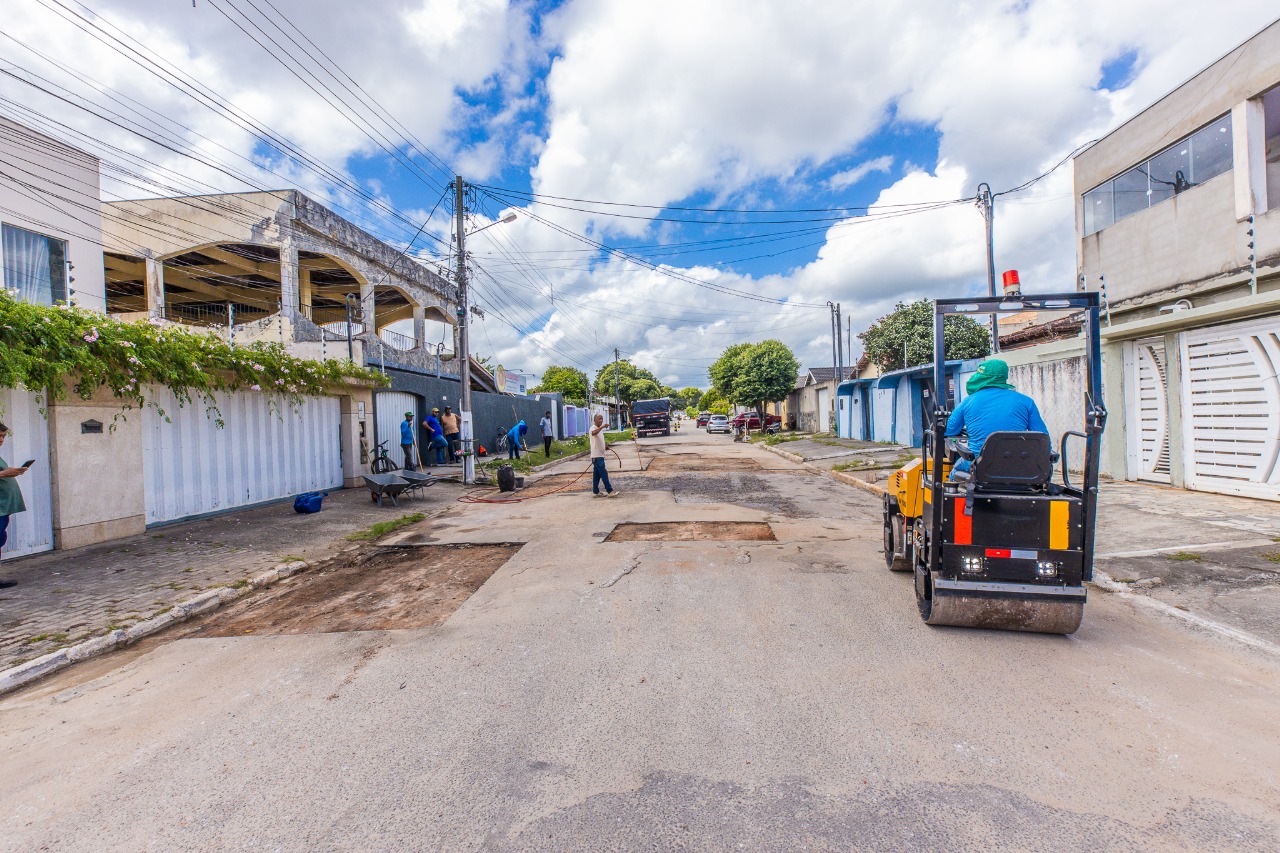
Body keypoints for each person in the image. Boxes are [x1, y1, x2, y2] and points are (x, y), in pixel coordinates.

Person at [945, 359, 1049, 479]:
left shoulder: (968, 402)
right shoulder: (1026, 402)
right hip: (1020, 466)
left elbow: (949, 431)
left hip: (979, 465)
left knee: (954, 473)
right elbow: (1042, 436)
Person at [0, 422, 31, 589]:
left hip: (3, 508)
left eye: (4, 436)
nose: (2, 440)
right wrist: (5, 473)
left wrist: (10, 471)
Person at [589, 413, 617, 497]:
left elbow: (599, 439)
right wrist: (602, 427)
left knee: (596, 475)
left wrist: (605, 446)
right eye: (599, 419)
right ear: (595, 420)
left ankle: (595, 492)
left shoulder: (599, 429)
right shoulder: (593, 428)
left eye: (602, 418)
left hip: (600, 455)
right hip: (597, 456)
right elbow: (594, 433)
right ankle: (610, 491)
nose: (601, 420)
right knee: (604, 473)